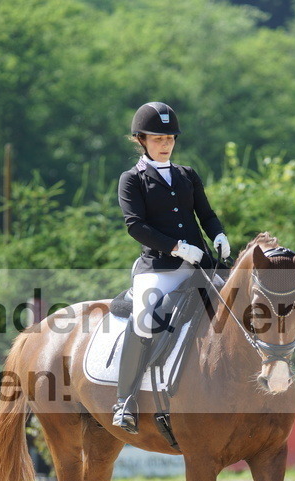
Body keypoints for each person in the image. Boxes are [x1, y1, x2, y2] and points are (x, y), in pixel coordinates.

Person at [112, 101, 231, 434]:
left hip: (201, 266)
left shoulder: (186, 175)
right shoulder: (132, 180)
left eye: (170, 139)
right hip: (159, 269)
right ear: (142, 140)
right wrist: (178, 248)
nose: (165, 144)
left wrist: (218, 234)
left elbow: (205, 214)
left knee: (240, 306)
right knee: (145, 320)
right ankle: (125, 401)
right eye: (158, 138)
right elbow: (135, 225)